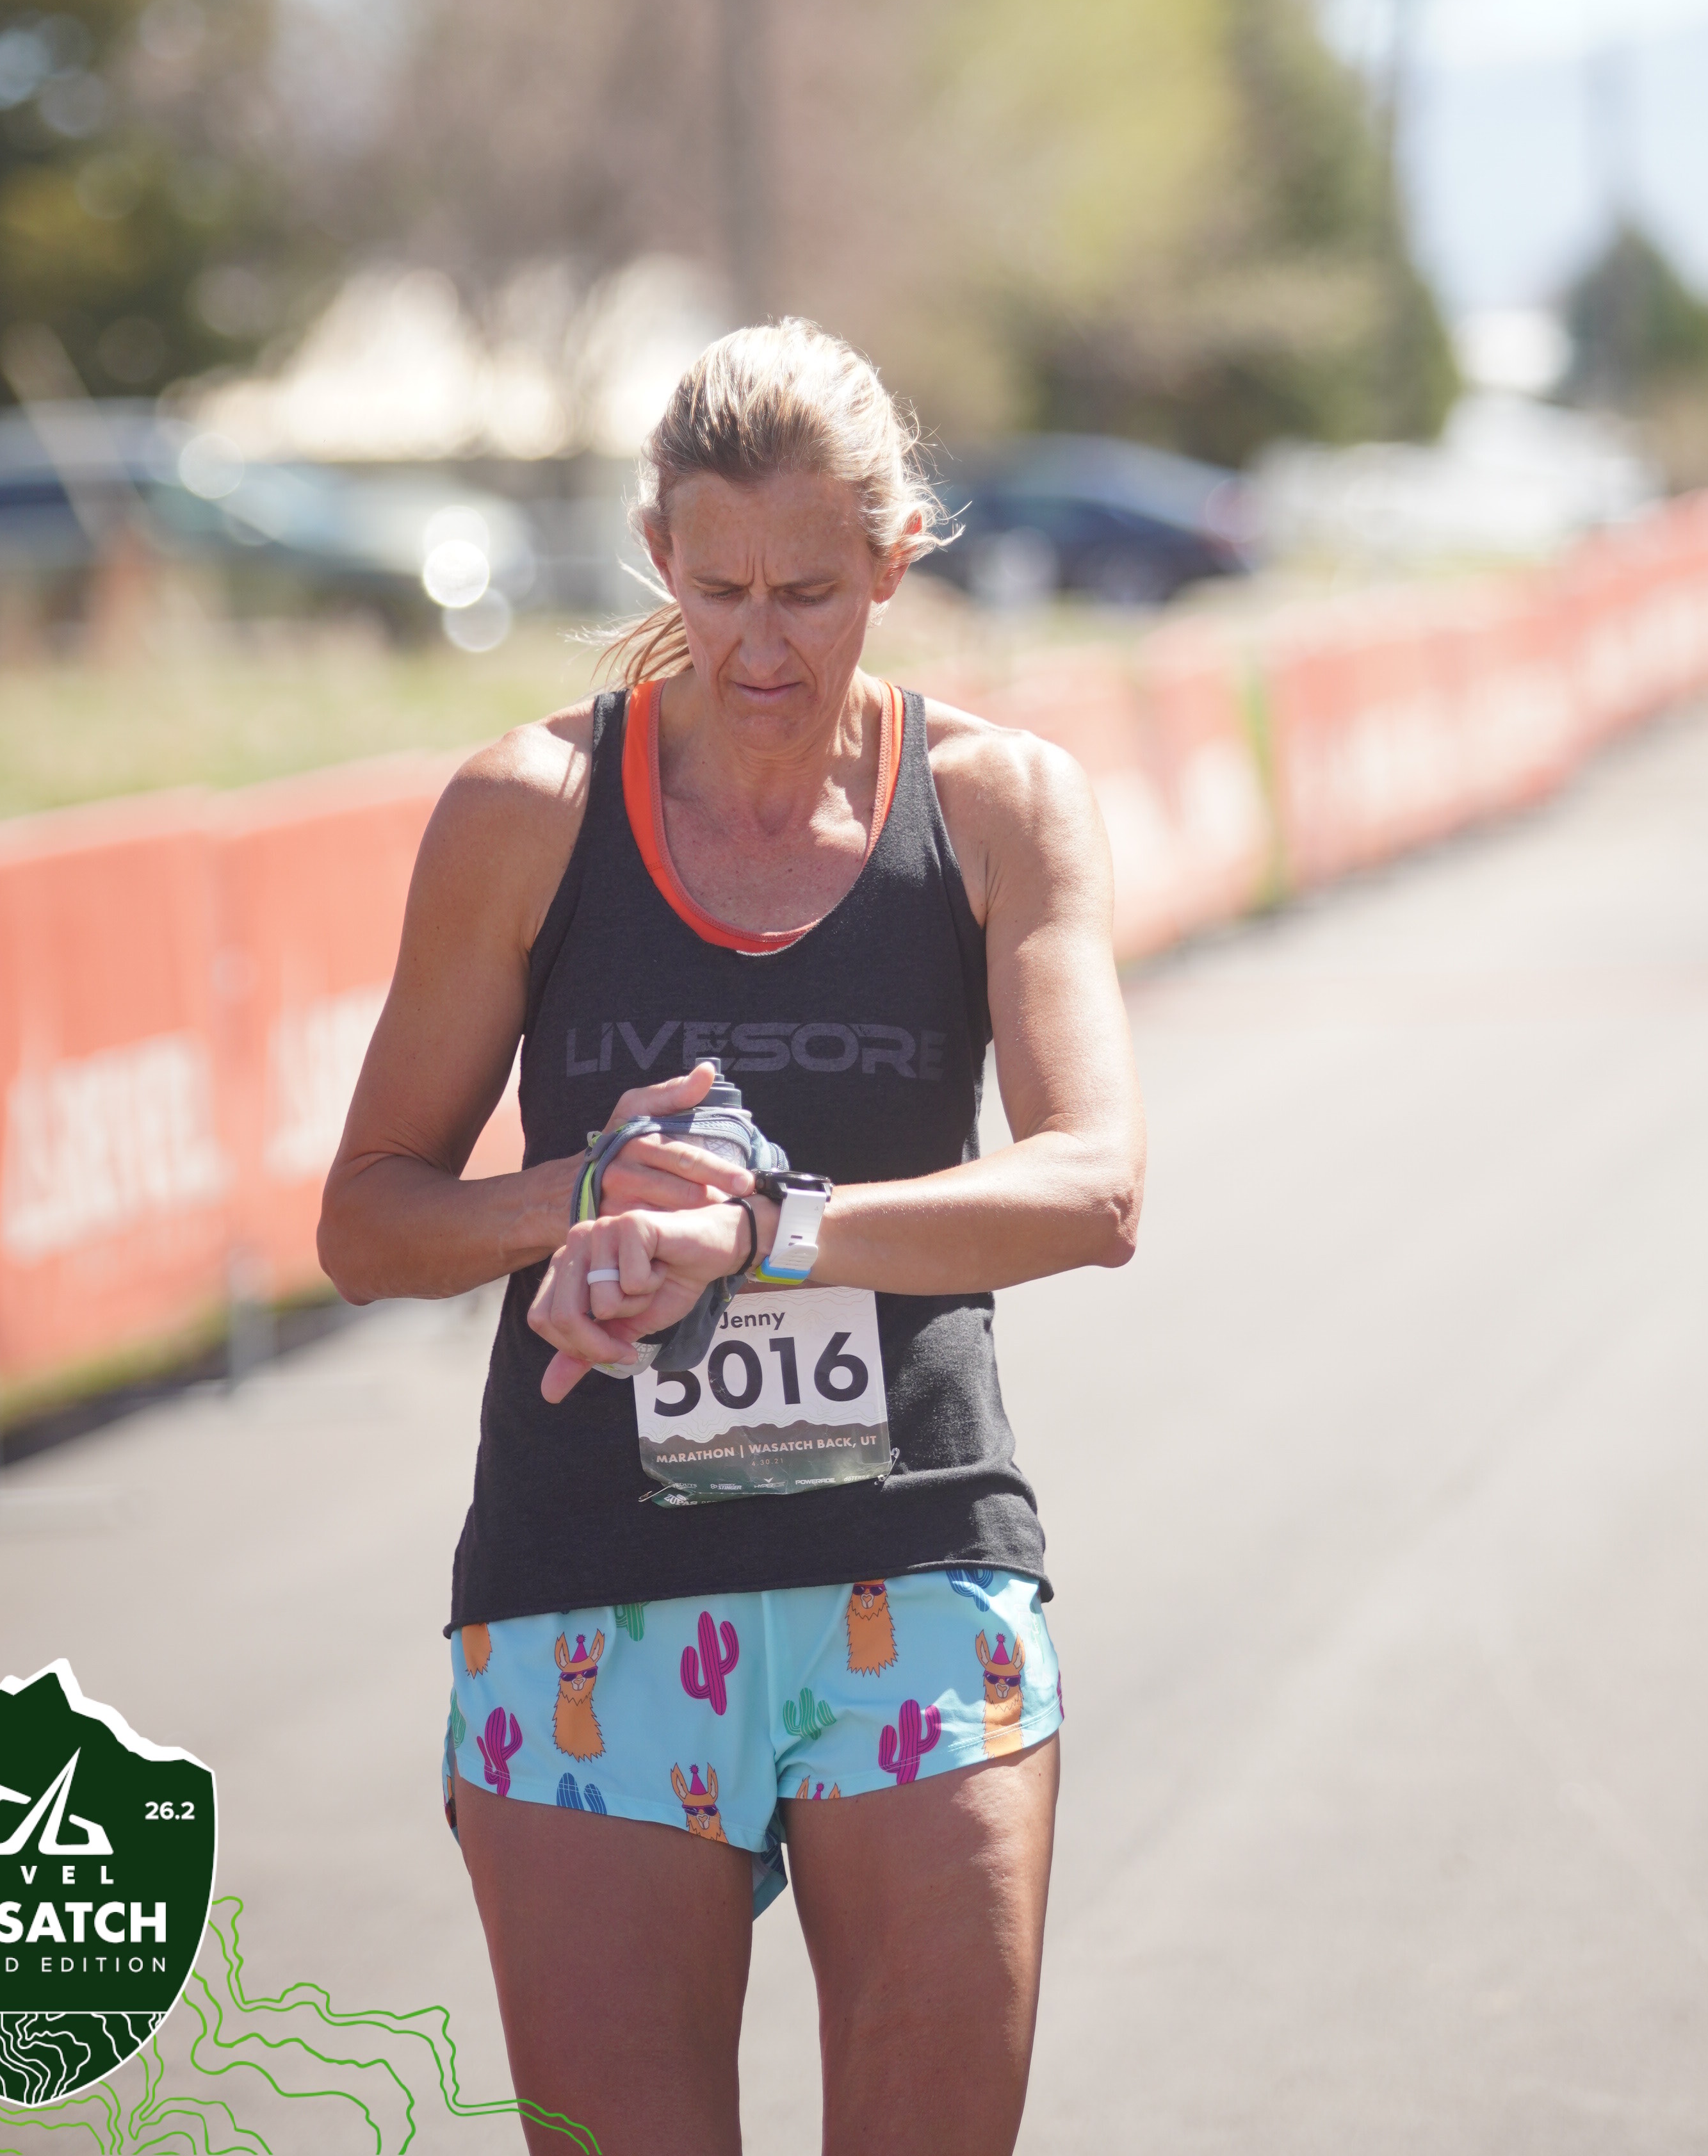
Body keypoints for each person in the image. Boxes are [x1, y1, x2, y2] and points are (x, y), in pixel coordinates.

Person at [321, 320, 1144, 2156]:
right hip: (586, 1592)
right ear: (656, 553)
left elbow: (1094, 1188)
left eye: (812, 594)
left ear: (896, 556)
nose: (762, 647)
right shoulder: (528, 812)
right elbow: (367, 1222)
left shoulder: (996, 805)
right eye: (718, 592)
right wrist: (590, 1192)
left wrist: (766, 1230)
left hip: (913, 1571)